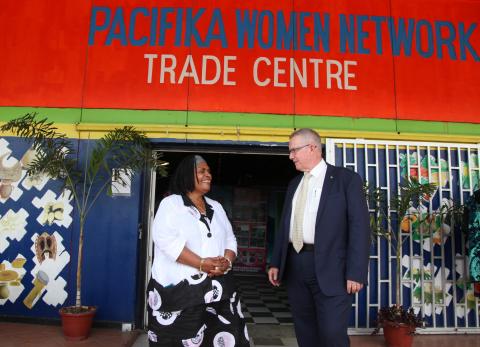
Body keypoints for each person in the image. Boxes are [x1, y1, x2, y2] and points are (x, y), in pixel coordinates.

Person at [268, 128, 370, 347]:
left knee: (332, 333)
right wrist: (276, 261)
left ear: (312, 147)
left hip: (333, 268)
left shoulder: (346, 180)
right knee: (305, 330)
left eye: (294, 150)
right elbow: (285, 225)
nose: (290, 156)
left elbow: (359, 227)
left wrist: (356, 272)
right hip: (296, 264)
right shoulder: (294, 184)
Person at [146, 154, 249, 347]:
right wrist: (201, 263)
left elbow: (230, 238)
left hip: (219, 290)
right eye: (202, 171)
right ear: (187, 174)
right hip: (180, 293)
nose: (208, 174)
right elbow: (166, 241)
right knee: (180, 339)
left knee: (221, 338)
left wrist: (226, 262)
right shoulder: (171, 204)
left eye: (209, 171)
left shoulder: (216, 206)